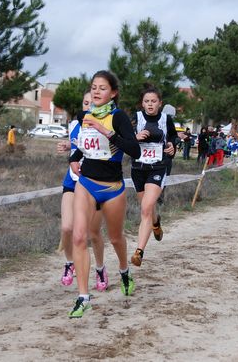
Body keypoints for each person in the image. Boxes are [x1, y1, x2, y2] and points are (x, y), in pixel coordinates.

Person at [68, 70, 141, 318]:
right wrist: (73, 158)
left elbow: (134, 149)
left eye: (102, 88)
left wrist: (105, 130)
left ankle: (123, 271)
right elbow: (82, 144)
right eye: (94, 87)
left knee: (116, 237)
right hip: (86, 183)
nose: (97, 91)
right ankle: (83, 297)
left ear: (113, 92)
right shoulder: (85, 116)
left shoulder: (118, 117)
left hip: (111, 188)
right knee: (79, 237)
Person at [56, 90, 107, 291]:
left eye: (92, 103)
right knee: (67, 228)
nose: (88, 106)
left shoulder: (105, 125)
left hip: (95, 184)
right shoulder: (75, 124)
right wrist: (67, 145)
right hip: (72, 181)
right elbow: (76, 146)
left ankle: (101, 268)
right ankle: (70, 263)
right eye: (85, 103)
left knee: (93, 233)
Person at [130, 84, 177, 267]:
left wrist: (173, 146)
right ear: (142, 103)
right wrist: (135, 137)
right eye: (147, 101)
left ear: (160, 103)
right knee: (147, 209)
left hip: (158, 167)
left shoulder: (166, 119)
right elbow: (125, 140)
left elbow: (173, 137)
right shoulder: (136, 119)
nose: (150, 104)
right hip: (138, 169)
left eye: (153, 101)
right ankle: (156, 223)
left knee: (146, 207)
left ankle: (139, 252)